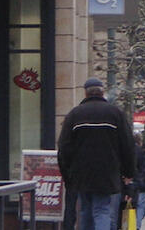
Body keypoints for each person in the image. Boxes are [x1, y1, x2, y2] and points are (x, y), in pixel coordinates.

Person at [58, 78, 137, 230]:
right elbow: (128, 145)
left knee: (85, 210)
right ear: (102, 93)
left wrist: (68, 176)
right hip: (107, 172)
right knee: (102, 210)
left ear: (85, 93)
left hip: (81, 173)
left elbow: (64, 147)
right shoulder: (116, 114)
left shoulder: (75, 115)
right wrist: (129, 172)